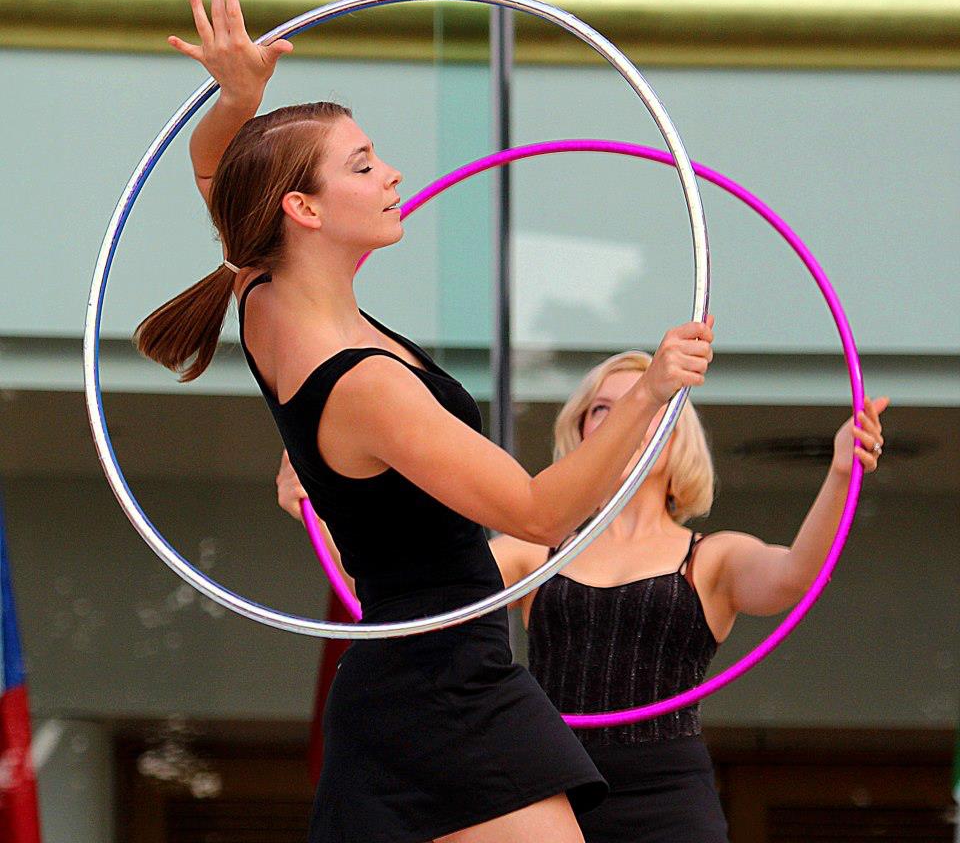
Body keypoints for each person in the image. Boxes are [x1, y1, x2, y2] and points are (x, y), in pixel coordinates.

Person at [135, 0, 716, 843]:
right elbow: (541, 511)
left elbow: (218, 168)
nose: (393, 172)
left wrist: (239, 99)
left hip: (429, 675)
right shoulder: (360, 383)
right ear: (303, 208)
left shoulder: (263, 294)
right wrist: (654, 395)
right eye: (363, 164)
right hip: (440, 686)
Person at [280, 351, 886, 843]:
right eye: (602, 409)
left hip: (671, 802)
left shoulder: (713, 556)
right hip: (550, 788)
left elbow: (793, 578)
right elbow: (408, 597)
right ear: (581, 432)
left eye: (648, 402)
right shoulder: (534, 550)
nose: (624, 416)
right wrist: (320, 507)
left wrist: (840, 475)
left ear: (678, 436)